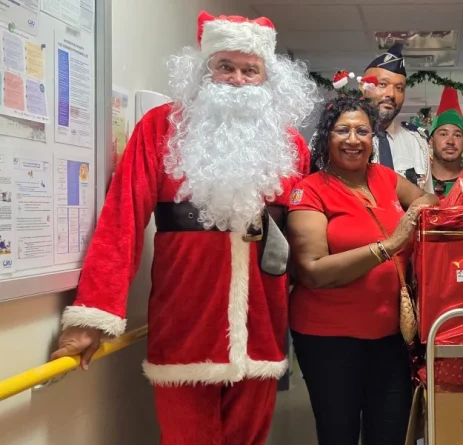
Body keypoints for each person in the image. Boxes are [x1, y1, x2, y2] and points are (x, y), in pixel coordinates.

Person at [50, 11, 319, 445]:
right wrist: (93, 315)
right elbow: (122, 220)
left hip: (262, 325)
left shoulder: (291, 145)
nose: (236, 79)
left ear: (267, 78)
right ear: (203, 69)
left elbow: (301, 236)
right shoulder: (159, 129)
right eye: (224, 66)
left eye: (250, 70)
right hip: (185, 322)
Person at [286, 93, 439, 445]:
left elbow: (428, 198)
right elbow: (312, 270)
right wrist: (389, 246)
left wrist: (418, 210)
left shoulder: (384, 177)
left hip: (391, 338)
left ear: (373, 137)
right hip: (329, 341)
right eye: (343, 130)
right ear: (327, 137)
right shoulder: (310, 191)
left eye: (363, 131)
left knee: (390, 432)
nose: (353, 140)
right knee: (338, 433)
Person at [362, 43, 433, 193]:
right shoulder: (338, 138)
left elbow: (427, 202)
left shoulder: (417, 142)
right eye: (382, 84)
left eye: (399, 88)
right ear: (364, 87)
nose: (391, 94)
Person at [429, 87, 463, 198]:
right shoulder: (417, 182)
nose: (450, 141)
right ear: (431, 141)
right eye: (443, 134)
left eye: (457, 135)